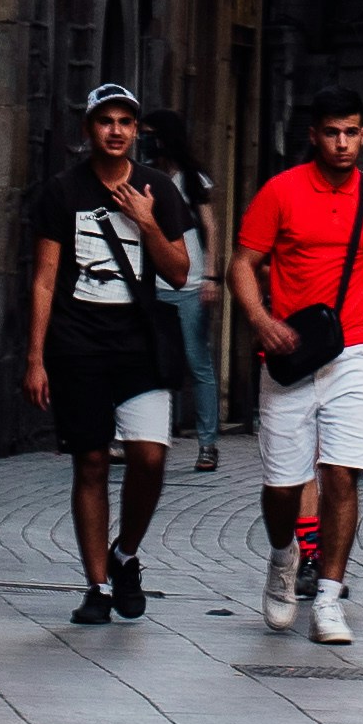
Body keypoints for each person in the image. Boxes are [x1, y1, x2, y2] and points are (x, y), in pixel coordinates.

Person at [231, 81, 363, 648]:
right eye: (331, 133)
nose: (342, 143)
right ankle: (283, 556)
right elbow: (241, 263)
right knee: (283, 486)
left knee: (342, 473)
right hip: (290, 352)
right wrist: (261, 321)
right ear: (314, 135)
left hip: (353, 352)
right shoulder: (280, 192)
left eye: (351, 132)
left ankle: (328, 597)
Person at [21, 86, 189, 624]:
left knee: (150, 456)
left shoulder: (157, 187)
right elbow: (44, 280)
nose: (115, 130)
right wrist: (35, 358)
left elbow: (179, 272)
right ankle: (96, 586)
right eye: (105, 121)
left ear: (136, 130)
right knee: (90, 461)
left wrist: (147, 220)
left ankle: (125, 554)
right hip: (78, 343)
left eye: (124, 121)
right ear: (88, 128)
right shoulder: (62, 191)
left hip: (140, 343)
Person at [147, 110, 223, 466]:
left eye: (150, 134)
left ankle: (208, 444)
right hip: (152, 284)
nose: (145, 141)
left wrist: (211, 276)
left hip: (191, 285)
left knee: (197, 362)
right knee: (153, 363)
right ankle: (151, 438)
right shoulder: (143, 176)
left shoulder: (193, 179)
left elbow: (212, 228)